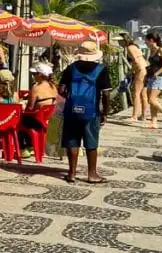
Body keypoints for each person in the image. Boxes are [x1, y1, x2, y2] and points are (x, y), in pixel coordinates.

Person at [59, 40, 111, 184]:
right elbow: (106, 94)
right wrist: (105, 113)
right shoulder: (101, 69)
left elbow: (61, 90)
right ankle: (92, 174)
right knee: (91, 143)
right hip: (91, 112)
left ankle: (71, 173)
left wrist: (72, 99)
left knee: (72, 141)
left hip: (71, 111)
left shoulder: (71, 68)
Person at [120, 34, 148, 121]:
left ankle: (134, 116)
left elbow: (135, 60)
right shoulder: (135, 46)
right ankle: (143, 115)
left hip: (140, 70)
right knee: (143, 94)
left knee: (136, 93)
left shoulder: (129, 48)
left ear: (124, 41)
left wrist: (133, 71)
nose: (119, 43)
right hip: (145, 68)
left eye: (119, 41)